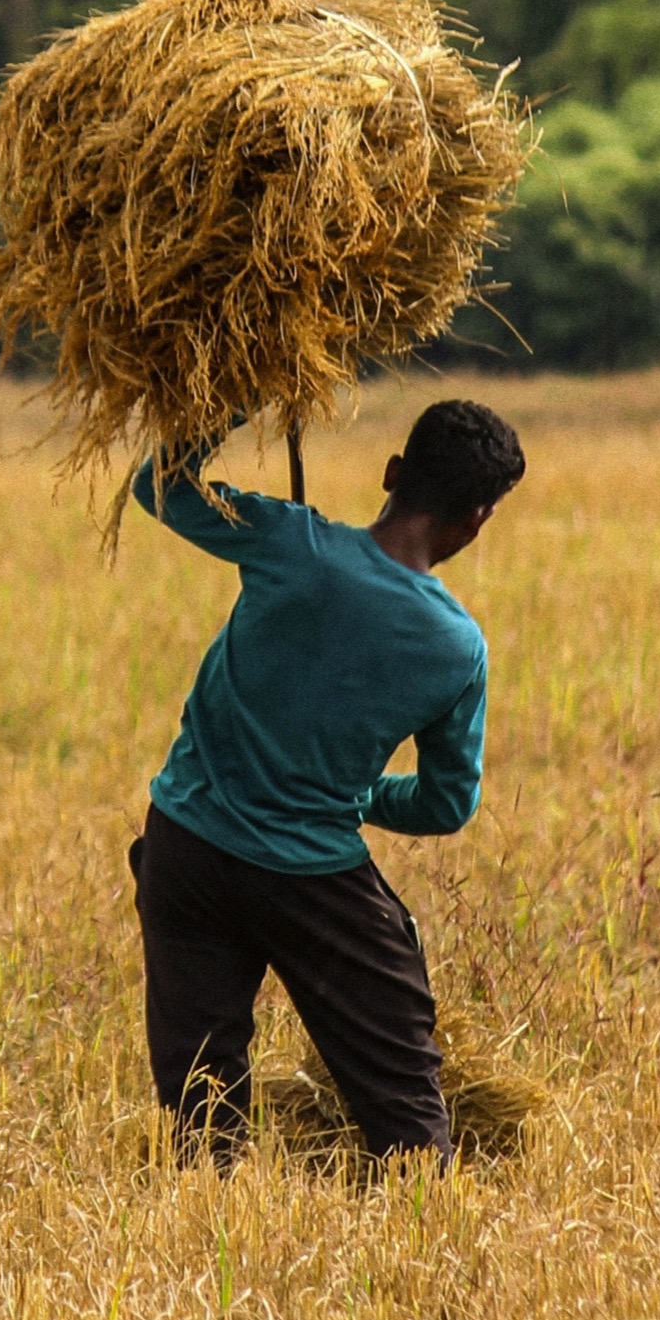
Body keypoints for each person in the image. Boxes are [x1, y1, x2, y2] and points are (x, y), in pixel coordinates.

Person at [126, 394, 526, 1168]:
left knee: (202, 1110)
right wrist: (362, 794)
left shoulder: (290, 544)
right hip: (312, 883)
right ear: (478, 519)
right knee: (406, 1109)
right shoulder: (455, 647)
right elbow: (447, 804)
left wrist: (238, 396)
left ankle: (203, 1240)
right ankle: (424, 1241)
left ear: (393, 472)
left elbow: (160, 487)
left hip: (185, 851)